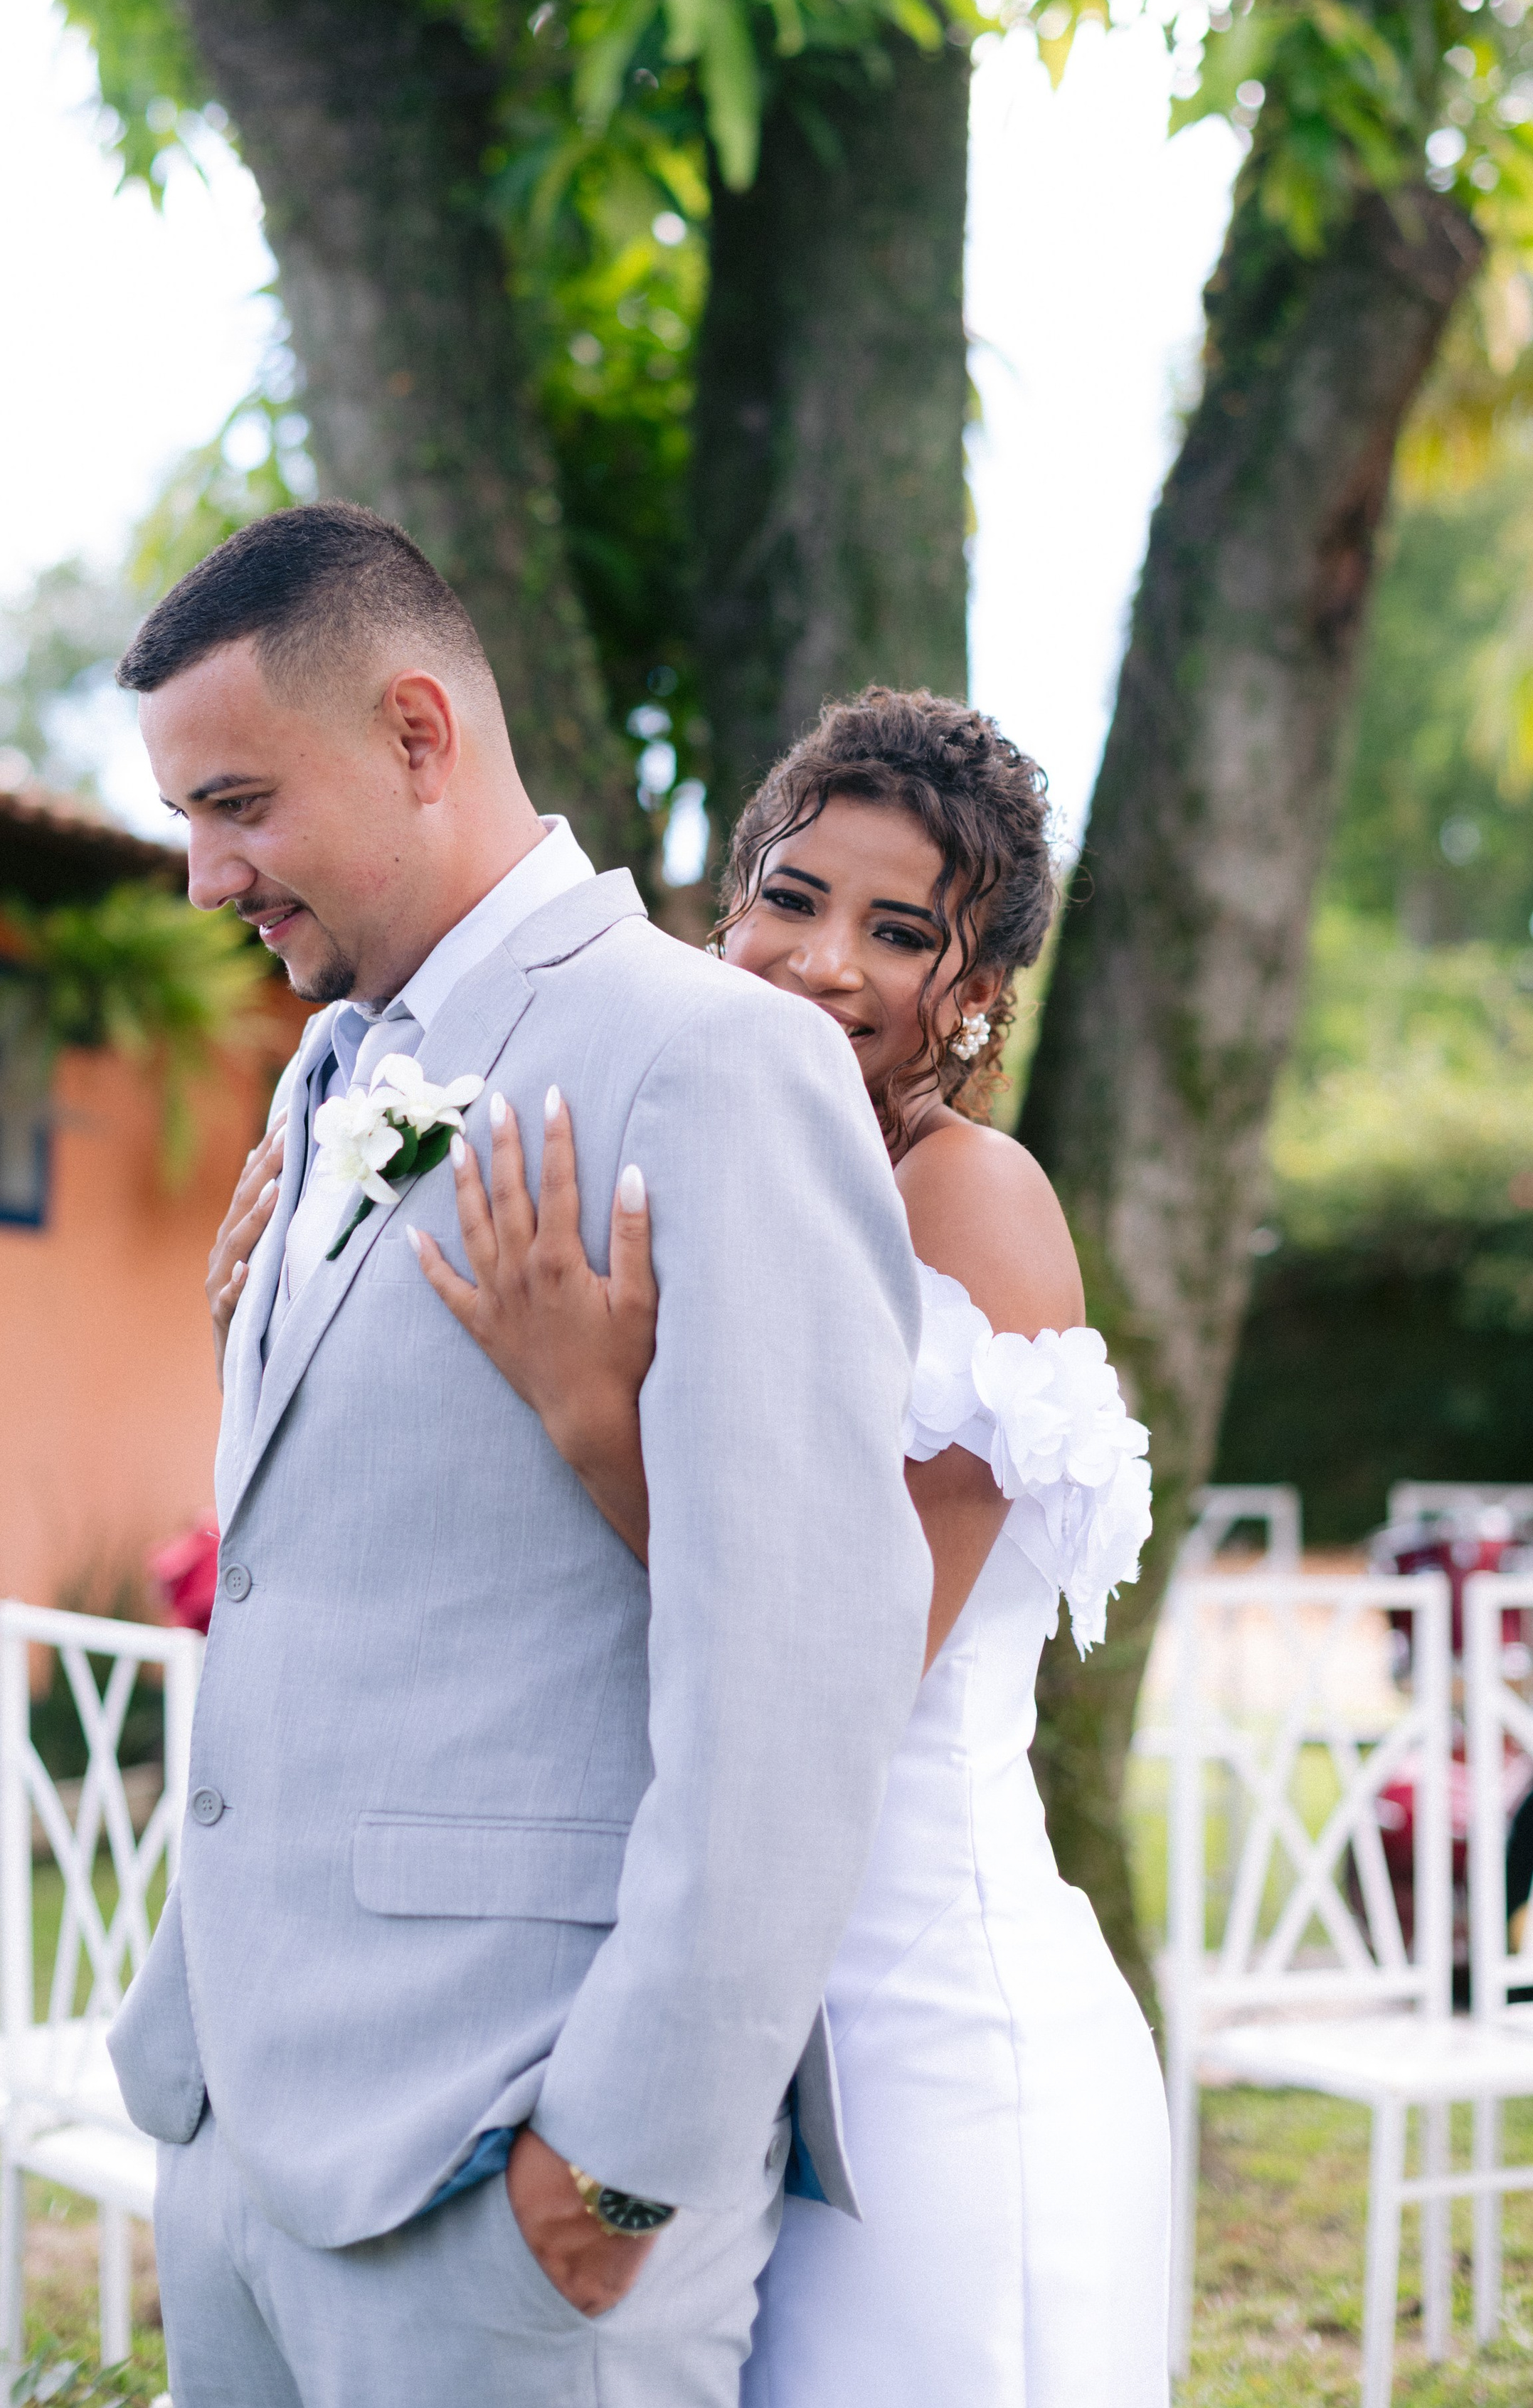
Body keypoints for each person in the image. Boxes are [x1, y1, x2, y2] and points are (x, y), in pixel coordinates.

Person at [104, 503, 935, 2408]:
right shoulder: (341, 1067)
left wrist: (616, 2158)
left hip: (506, 2182)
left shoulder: (712, 1060)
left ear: (416, 733)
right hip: (247, 2135)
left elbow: (801, 1662)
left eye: (235, 803)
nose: (202, 875)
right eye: (184, 821)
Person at [398, 686, 1172, 2407]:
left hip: (924, 2050)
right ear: (726, 903)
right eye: (792, 896)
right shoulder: (689, 1164)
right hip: (727, 2036)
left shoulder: (974, 1205)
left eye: (900, 932)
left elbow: (835, 1657)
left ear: (973, 997)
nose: (821, 960)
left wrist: (596, 1409)